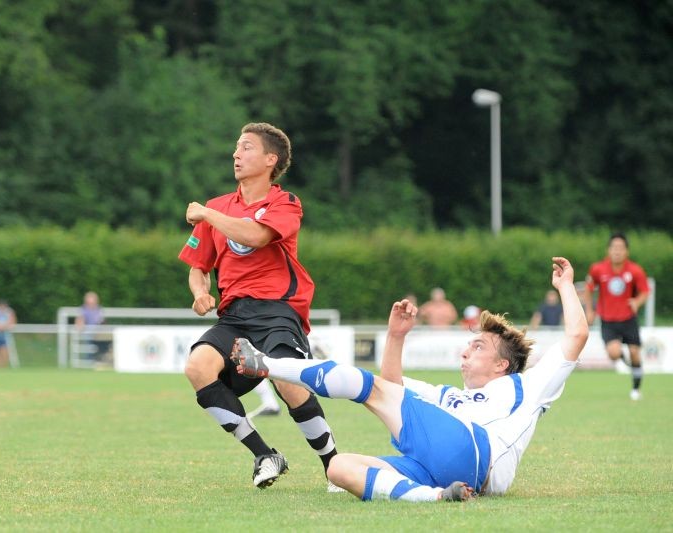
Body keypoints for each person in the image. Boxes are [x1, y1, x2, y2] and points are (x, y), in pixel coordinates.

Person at [232, 257, 588, 502]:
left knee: (371, 388)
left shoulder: (525, 386)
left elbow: (576, 336)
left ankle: (268, 365)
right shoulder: (446, 397)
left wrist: (566, 286)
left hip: (477, 454)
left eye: (478, 346)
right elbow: (393, 387)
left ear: (502, 365)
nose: (466, 351)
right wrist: (396, 337)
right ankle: (433, 498)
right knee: (339, 468)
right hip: (439, 472)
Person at [178, 122, 339, 490]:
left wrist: (206, 214)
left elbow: (255, 234)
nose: (236, 154)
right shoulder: (218, 207)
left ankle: (334, 465)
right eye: (236, 147)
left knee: (288, 380)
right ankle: (264, 454)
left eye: (246, 147)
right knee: (197, 367)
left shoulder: (285, 203)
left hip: (278, 310)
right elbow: (198, 267)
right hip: (234, 315)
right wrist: (200, 291)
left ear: (271, 159)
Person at [583, 233, 650, 400]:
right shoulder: (598, 269)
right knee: (613, 353)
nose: (617, 251)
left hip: (628, 318)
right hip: (607, 319)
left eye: (621, 248)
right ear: (609, 250)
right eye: (614, 248)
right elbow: (588, 289)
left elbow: (645, 292)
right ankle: (622, 357)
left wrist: (637, 301)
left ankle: (636, 389)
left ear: (626, 251)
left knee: (635, 352)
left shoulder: (635, 270)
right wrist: (590, 311)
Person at [75, 291, 109, 362]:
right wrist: (82, 328)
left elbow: (102, 322)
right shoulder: (83, 309)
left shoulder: (99, 309)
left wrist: (100, 330)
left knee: (105, 340)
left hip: (98, 332)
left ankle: (101, 359)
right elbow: (80, 321)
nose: (91, 304)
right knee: (89, 339)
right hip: (87, 332)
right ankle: (88, 361)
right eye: (89, 302)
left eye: (92, 302)